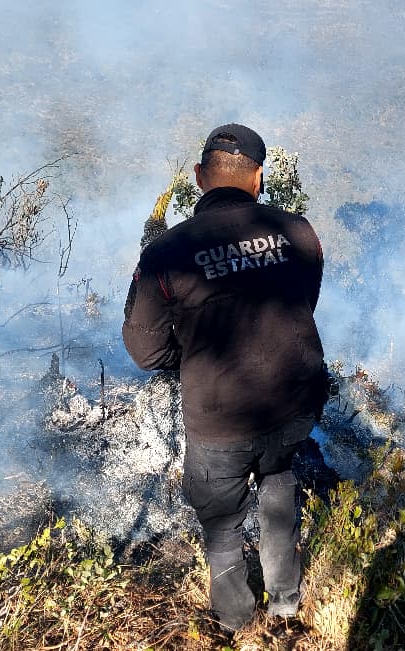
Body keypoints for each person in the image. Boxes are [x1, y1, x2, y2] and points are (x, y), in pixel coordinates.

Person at [122, 123, 328, 633]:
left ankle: (237, 624)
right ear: (258, 179)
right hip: (294, 404)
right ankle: (285, 608)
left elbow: (145, 350)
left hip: (219, 419)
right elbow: (304, 302)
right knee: (278, 483)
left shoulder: (166, 253)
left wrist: (190, 355)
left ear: (199, 177)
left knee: (222, 523)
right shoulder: (298, 231)